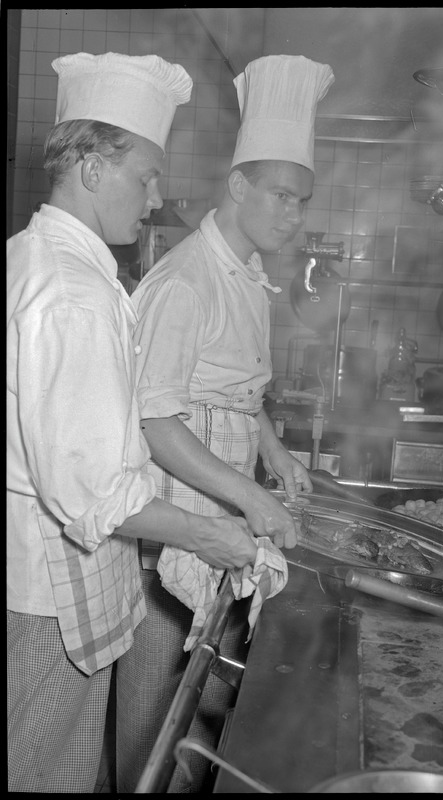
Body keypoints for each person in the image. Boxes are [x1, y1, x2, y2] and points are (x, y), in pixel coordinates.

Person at [6, 51, 260, 794]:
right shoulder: (72, 292)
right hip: (48, 598)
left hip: (45, 584)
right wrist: (207, 533)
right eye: (146, 176)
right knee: (40, 775)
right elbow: (94, 493)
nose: (156, 198)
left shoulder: (35, 257)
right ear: (92, 167)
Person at [116, 54, 335, 792]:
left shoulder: (247, 275)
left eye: (301, 201)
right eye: (280, 195)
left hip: (222, 520)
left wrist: (274, 454)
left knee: (198, 706)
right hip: (172, 535)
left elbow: (237, 391)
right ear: (238, 186)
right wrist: (250, 497)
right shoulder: (185, 281)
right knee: (156, 722)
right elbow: (155, 424)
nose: (293, 215)